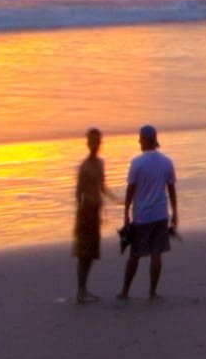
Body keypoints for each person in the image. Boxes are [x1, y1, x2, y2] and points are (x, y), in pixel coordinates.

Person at [117, 123, 178, 299]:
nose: (139, 142)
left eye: (141, 139)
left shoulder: (137, 163)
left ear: (146, 140)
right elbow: (171, 189)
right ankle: (152, 291)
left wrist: (126, 212)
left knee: (135, 255)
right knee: (156, 254)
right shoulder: (166, 162)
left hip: (142, 215)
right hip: (160, 214)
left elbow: (130, 189)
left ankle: (125, 291)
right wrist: (175, 212)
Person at [71, 128, 109, 304]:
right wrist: (80, 216)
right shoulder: (84, 167)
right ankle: (80, 291)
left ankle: (84, 289)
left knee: (92, 253)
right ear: (88, 144)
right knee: (83, 254)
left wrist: (118, 201)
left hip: (96, 212)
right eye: (93, 142)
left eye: (98, 142)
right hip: (86, 212)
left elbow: (102, 188)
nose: (95, 145)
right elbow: (78, 193)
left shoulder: (100, 163)